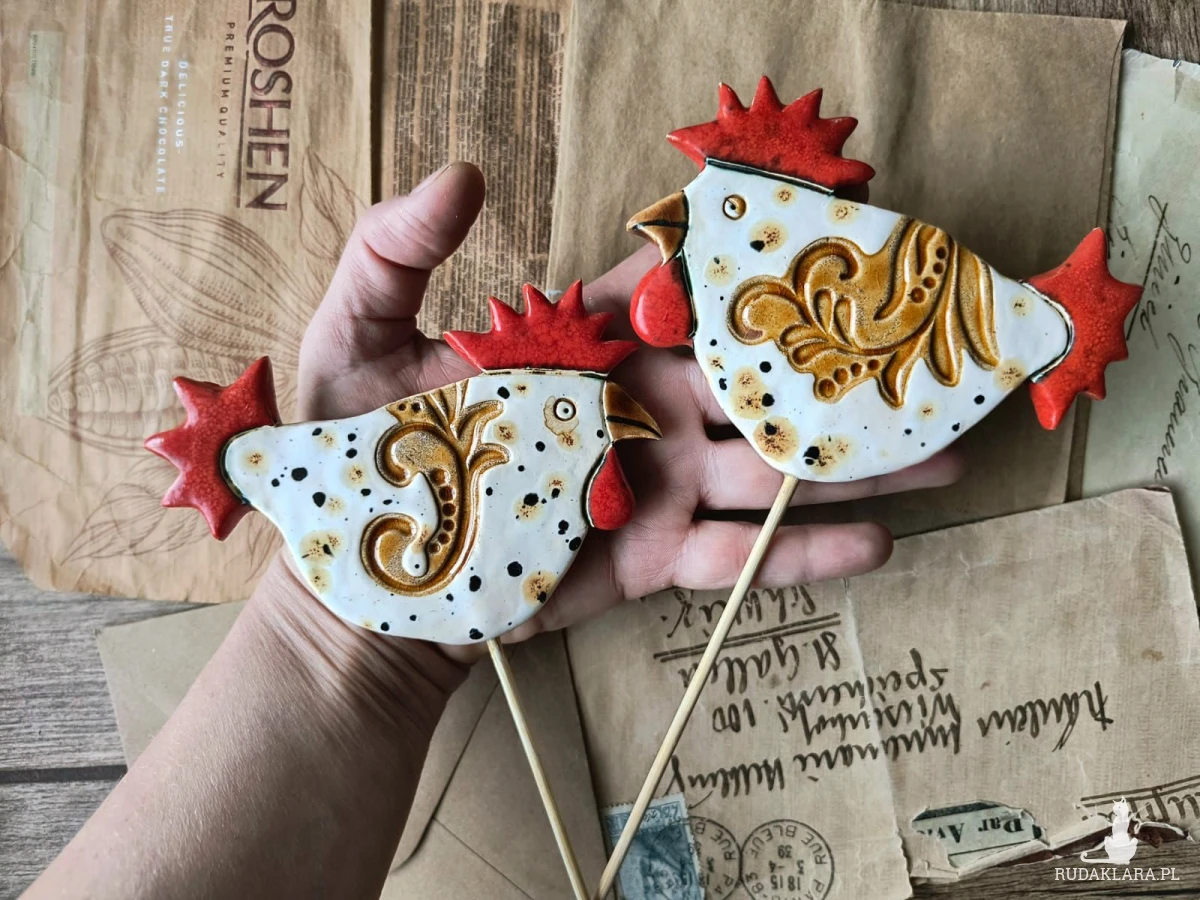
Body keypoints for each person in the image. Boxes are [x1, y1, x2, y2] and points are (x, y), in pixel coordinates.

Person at [26, 163, 961, 899]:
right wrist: (344, 632)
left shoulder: (519, 478)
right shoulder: (452, 473)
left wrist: (341, 649)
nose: (612, 422)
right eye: (579, 415)